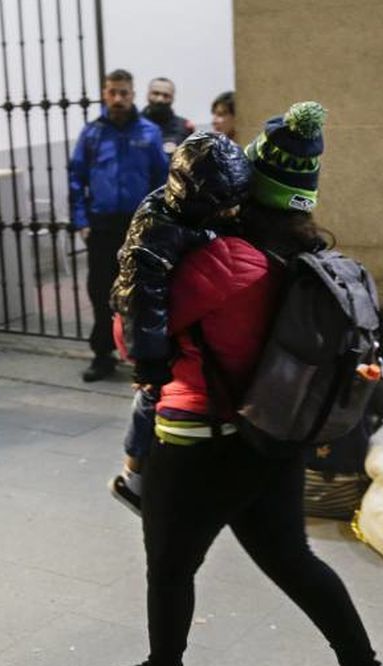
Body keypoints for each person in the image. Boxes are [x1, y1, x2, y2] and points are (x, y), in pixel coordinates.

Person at [111, 102, 383, 666]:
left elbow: (129, 333)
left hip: (200, 439)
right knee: (291, 558)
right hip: (272, 432)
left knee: (169, 564)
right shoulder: (306, 256)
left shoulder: (226, 261)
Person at [107, 132, 252, 515]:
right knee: (151, 394)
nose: (229, 215)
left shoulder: (203, 208)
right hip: (144, 311)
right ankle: (133, 477)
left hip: (175, 306)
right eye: (222, 207)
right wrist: (149, 361)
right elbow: (142, 297)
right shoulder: (155, 230)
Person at [69, 69, 169, 382]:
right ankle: (102, 355)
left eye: (123, 93)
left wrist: (157, 221)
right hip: (101, 226)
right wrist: (81, 221)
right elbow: (76, 177)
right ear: (104, 93)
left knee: (141, 292)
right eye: (112, 92)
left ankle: (142, 354)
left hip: (137, 225)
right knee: (101, 291)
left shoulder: (149, 133)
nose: (117, 99)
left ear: (133, 94)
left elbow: (161, 179)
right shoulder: (92, 133)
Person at [141, 77, 195, 156]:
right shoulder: (132, 123)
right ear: (148, 95)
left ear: (173, 98)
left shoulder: (185, 128)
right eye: (156, 93)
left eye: (166, 95)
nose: (160, 99)